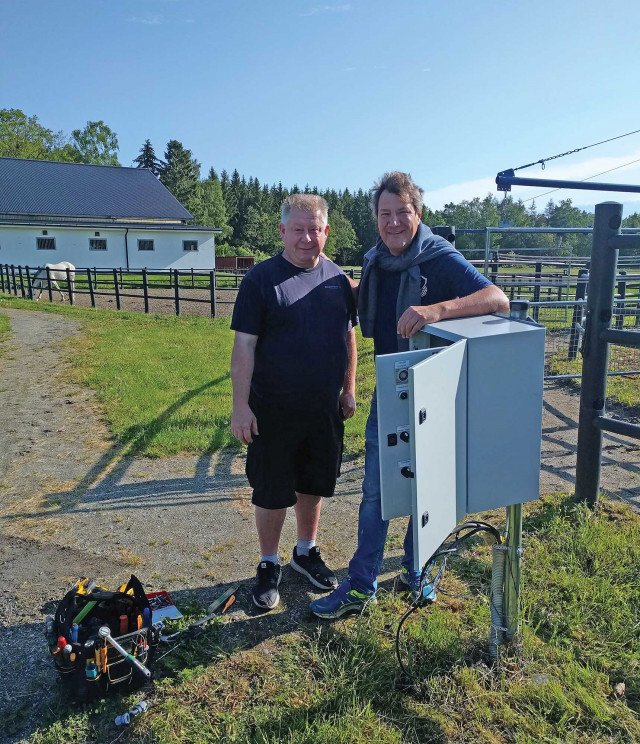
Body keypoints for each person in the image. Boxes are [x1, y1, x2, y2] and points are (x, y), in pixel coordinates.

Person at [311, 171, 509, 619]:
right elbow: (367, 308)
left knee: (430, 485)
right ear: (376, 219)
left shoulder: (439, 258)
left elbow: (498, 299)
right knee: (378, 489)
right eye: (385, 214)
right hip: (392, 386)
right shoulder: (377, 262)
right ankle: (361, 585)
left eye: (403, 212)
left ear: (418, 214)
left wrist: (435, 310)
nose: (394, 222)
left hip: (436, 390)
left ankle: (414, 570)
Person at [230, 193, 358, 611]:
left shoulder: (340, 280)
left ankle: (305, 552)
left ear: (326, 231)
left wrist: (349, 388)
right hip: (272, 410)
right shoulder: (260, 281)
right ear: (283, 231)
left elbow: (349, 337)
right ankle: (269, 564)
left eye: (314, 229)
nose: (306, 237)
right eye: (297, 229)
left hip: (324, 409)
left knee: (313, 483)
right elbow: (244, 347)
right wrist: (241, 406)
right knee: (271, 491)